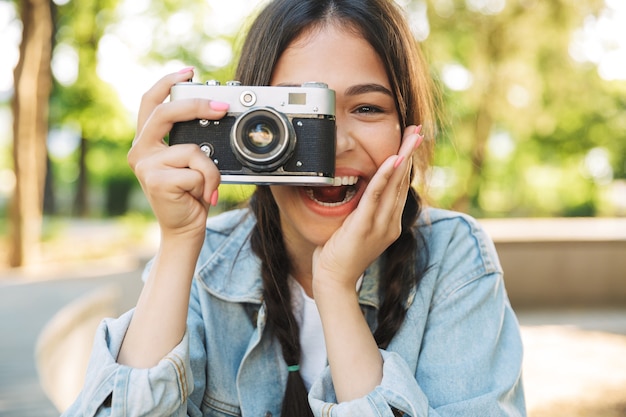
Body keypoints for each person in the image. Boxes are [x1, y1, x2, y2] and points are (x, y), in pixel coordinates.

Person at [63, 0, 526, 416]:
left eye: (366, 109)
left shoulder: (453, 258)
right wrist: (180, 241)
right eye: (300, 114)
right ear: (246, 127)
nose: (334, 145)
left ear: (408, 129)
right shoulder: (207, 260)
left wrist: (336, 288)